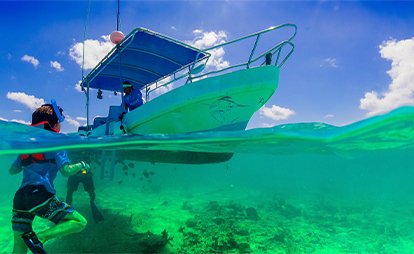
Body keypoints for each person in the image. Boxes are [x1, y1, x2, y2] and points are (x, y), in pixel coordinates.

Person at [9, 100, 90, 254]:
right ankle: (41, 237)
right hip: (40, 196)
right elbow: (66, 170)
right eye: (60, 122)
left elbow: (13, 170)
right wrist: (82, 165)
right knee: (79, 222)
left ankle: (32, 239)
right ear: (54, 125)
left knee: (19, 247)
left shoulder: (27, 145)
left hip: (20, 198)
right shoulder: (56, 141)